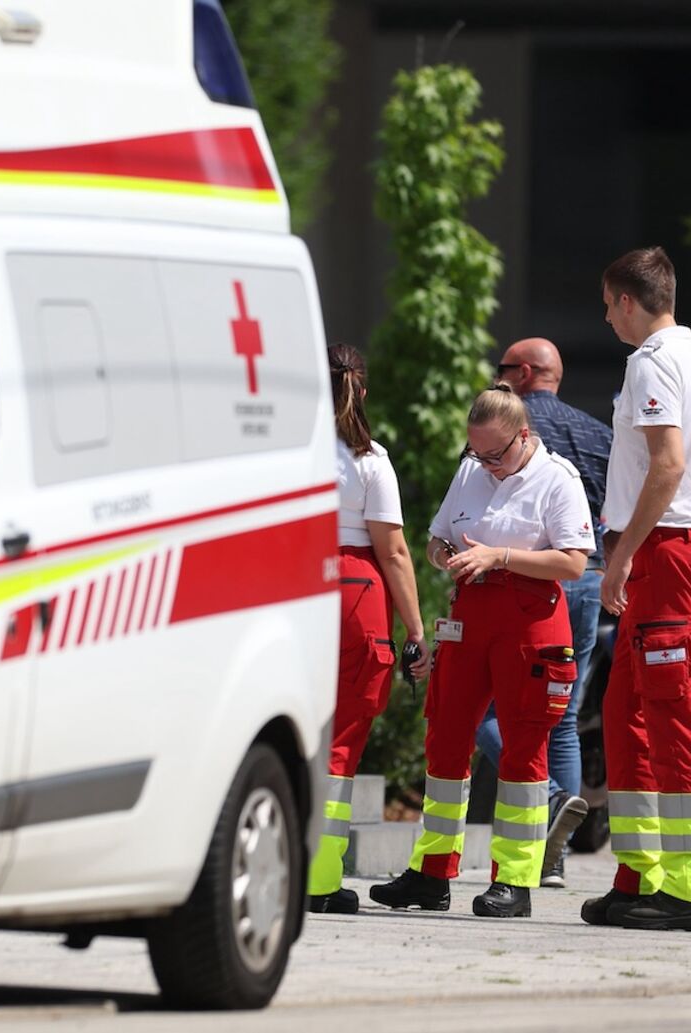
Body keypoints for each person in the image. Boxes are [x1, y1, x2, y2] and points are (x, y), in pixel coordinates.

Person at [369, 386, 593, 918]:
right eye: (477, 452)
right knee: (445, 737)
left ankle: (514, 881)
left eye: (496, 454)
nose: (486, 464)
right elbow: (435, 539)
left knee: (523, 748)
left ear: (523, 436)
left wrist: (501, 556)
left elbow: (573, 563)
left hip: (530, 622)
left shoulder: (557, 479)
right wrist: (443, 554)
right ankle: (431, 874)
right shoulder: (471, 469)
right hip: (469, 616)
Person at [584, 247, 691, 933]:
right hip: (670, 549)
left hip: (665, 550)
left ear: (628, 300)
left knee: (670, 711)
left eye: (607, 305)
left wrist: (621, 558)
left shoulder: (652, 361)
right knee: (627, 709)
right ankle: (639, 874)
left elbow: (667, 467)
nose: (606, 318)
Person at [476, 337, 614, 889]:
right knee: (564, 713)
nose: (497, 376)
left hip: (526, 583)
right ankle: (554, 858)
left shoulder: (507, 427)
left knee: (490, 707)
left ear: (526, 372)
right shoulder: (598, 434)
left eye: (502, 367)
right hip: (588, 576)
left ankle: (551, 798)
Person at [308, 344, 428, 915]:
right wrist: (417, 631)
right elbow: (395, 552)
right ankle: (319, 879)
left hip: (295, 588)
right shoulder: (369, 461)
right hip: (355, 595)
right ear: (362, 390)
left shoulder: (287, 451)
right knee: (340, 741)